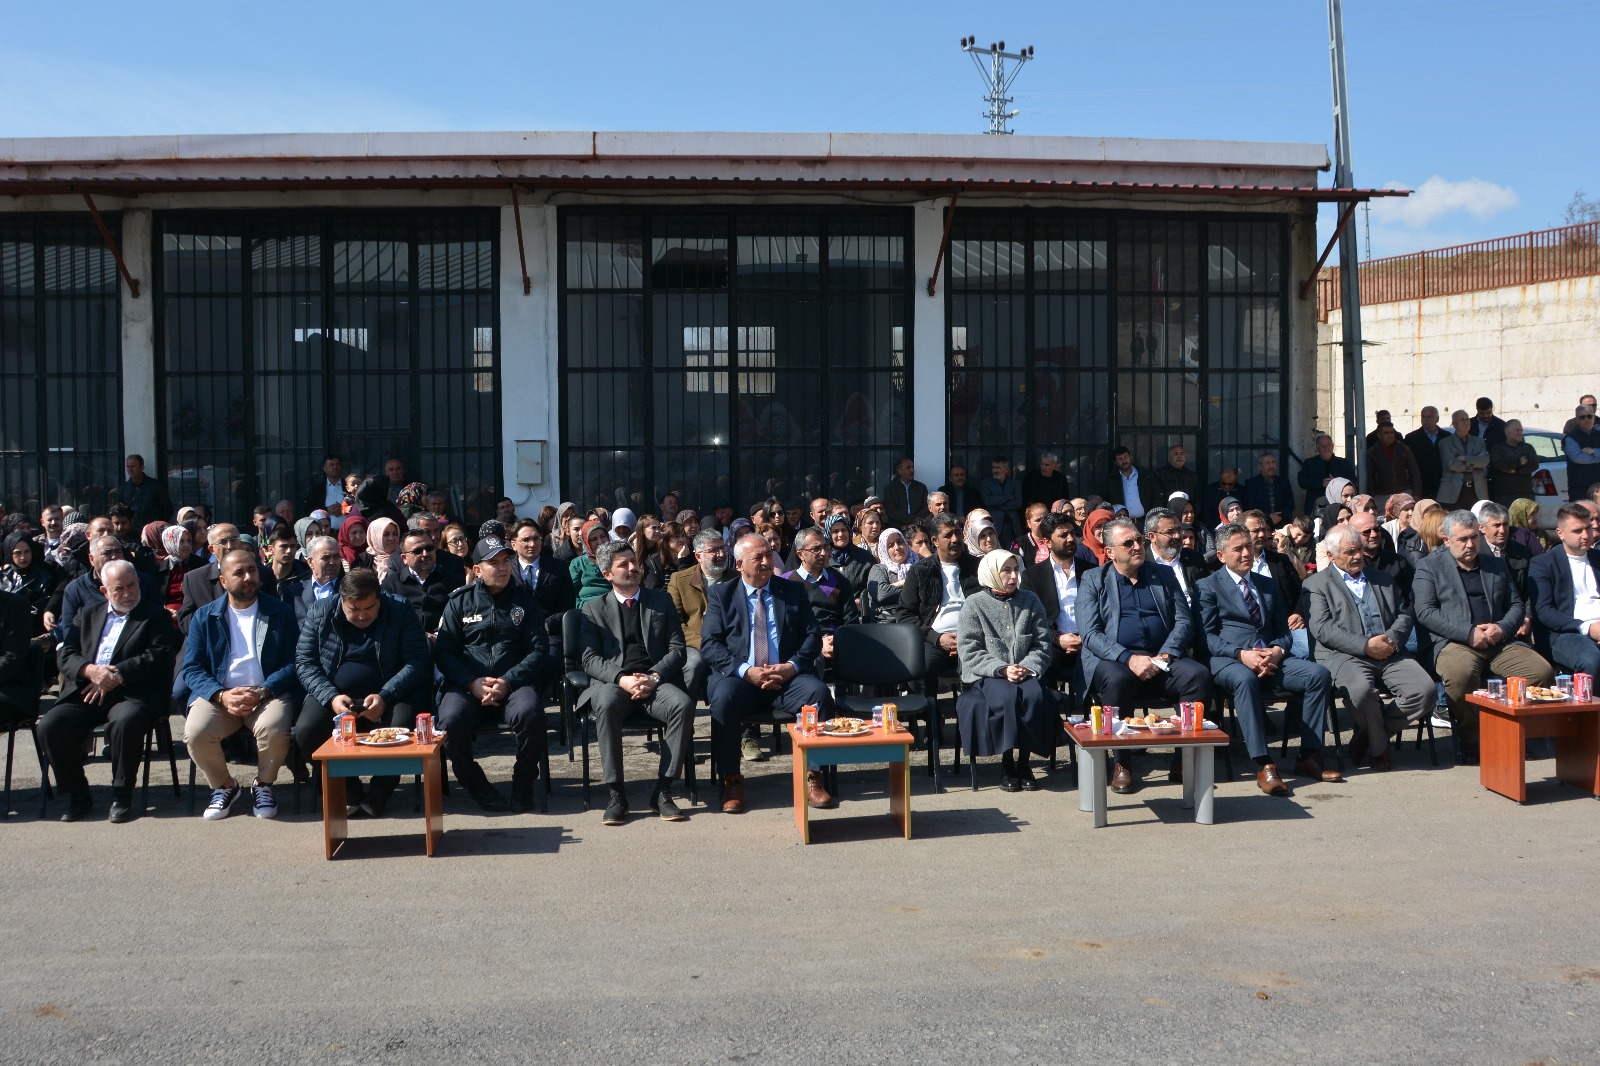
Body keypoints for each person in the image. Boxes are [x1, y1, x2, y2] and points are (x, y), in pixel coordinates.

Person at [1198, 523, 1342, 793]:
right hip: (1229, 659)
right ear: (1220, 556)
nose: (1246, 553)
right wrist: (1241, 654)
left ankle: (1309, 756)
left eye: (1248, 546)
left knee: (1318, 675)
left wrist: (1277, 650)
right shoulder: (1207, 586)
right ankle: (1264, 763)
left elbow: (1282, 631)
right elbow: (1207, 637)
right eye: (1237, 549)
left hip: (1270, 657)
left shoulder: (1266, 584)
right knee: (1245, 680)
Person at [1075, 517, 1213, 794]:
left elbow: (1184, 621)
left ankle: (1183, 758)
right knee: (1117, 680)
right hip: (1115, 660)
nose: (1137, 546)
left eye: (1139, 540)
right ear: (1110, 551)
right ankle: (1122, 763)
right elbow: (1090, 634)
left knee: (1197, 676)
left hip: (1161, 657)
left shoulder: (1162, 575)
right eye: (1128, 543)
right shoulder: (1094, 579)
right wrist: (1128, 658)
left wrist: (1165, 655)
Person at [38, 560, 181, 823]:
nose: (127, 594)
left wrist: (115, 675)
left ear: (139, 583)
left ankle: (121, 795)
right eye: (119, 589)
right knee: (50, 726)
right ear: (105, 591)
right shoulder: (87, 614)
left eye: (132, 586)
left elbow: (159, 656)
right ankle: (78, 794)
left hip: (133, 692)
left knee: (124, 722)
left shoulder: (155, 616)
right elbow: (66, 654)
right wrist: (90, 671)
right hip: (88, 689)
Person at [701, 533, 832, 814]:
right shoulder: (722, 595)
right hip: (742, 681)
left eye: (769, 555)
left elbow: (812, 636)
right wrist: (746, 671)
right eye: (757, 557)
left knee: (818, 693)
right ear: (739, 564)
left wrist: (791, 667)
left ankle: (813, 775)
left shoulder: (792, 591)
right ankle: (731, 779)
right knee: (723, 698)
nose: (766, 562)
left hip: (786, 678)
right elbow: (710, 644)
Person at [1413, 510, 1554, 764]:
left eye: (1474, 538)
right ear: (1446, 540)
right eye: (1462, 539)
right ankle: (1472, 737)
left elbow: (1516, 604)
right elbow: (1425, 611)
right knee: (1461, 675)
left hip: (1498, 641)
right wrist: (1468, 632)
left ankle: (1512, 731)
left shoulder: (1494, 564)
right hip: (1455, 642)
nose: (1470, 545)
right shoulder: (1429, 566)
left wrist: (1502, 628)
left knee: (1540, 672)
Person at [293, 569, 430, 816]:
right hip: (334, 693)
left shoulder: (399, 609)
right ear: (341, 600)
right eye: (354, 609)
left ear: (379, 598)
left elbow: (417, 660)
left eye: (369, 608)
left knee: (401, 724)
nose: (362, 615)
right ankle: (348, 789)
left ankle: (380, 792)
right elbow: (305, 663)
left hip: (391, 691)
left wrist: (386, 695)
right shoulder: (320, 611)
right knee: (306, 730)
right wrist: (330, 697)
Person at [434, 536, 554, 813]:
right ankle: (474, 783)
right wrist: (471, 682)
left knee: (530, 713)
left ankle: (523, 781)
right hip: (468, 686)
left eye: (505, 562)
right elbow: (444, 652)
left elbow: (538, 650)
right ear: (477, 570)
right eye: (493, 563)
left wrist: (508, 681)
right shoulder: (459, 602)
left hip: (513, 685)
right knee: (449, 720)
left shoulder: (525, 601)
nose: (502, 568)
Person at [577, 541, 693, 825]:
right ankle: (616, 794)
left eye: (634, 561)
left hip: (655, 681)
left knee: (682, 704)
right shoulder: (593, 609)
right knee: (605, 703)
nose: (632, 568)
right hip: (615, 683)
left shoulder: (660, 601)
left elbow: (677, 649)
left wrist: (654, 676)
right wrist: (622, 678)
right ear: (607, 574)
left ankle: (663, 791)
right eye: (623, 564)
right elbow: (589, 659)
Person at [180, 549, 300, 820]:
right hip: (220, 696)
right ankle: (225, 785)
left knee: (274, 727)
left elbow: (293, 663)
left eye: (252, 570)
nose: (248, 577)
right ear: (223, 581)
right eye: (239, 573)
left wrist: (263, 691)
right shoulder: (205, 617)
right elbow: (192, 668)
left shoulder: (279, 612)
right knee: (196, 732)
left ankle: (264, 785)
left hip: (267, 694)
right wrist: (220, 695)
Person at [1304, 524, 1434, 771]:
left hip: (1389, 651)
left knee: (1425, 691)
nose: (1357, 556)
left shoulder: (1382, 578)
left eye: (1359, 550)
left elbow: (1404, 613)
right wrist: (1365, 646)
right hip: (1345, 655)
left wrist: (1392, 639)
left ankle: (1370, 735)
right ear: (1331, 556)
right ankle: (1379, 749)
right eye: (1349, 552)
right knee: (1362, 692)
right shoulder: (1316, 584)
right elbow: (1322, 628)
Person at [956, 550, 1059, 790]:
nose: (1014, 576)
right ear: (992, 573)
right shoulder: (974, 604)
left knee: (1034, 696)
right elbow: (969, 649)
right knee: (1007, 697)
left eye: (1016, 570)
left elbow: (1042, 644)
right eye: (1006, 571)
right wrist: (1001, 669)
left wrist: (1027, 667)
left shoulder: (1030, 600)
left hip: (1025, 671)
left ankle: (1024, 763)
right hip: (988, 674)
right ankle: (1007, 763)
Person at [1019, 512, 1089, 695]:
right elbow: (1029, 620)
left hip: (1088, 641)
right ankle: (1052, 709)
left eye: (1072, 533)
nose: (1070, 539)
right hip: (1053, 643)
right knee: (1040, 669)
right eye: (1063, 535)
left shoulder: (1090, 571)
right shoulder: (1032, 576)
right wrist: (1057, 638)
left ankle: (1092, 710)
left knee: (1102, 669)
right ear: (1047, 542)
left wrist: (1086, 637)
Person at [1529, 503, 1600, 679]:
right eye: (1577, 531)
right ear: (1560, 533)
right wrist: (1587, 627)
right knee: (1591, 659)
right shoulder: (1543, 563)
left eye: (1588, 528)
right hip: (1566, 632)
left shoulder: (1597, 558)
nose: (1586, 535)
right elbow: (1544, 611)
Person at [668, 530, 737, 709]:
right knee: (692, 664)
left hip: (730, 642)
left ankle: (742, 722)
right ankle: (683, 716)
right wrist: (704, 644)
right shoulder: (680, 580)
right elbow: (674, 622)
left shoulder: (737, 579)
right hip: (694, 644)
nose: (721, 554)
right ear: (698, 556)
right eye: (713, 550)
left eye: (722, 548)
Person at [783, 527, 858, 661]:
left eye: (825, 547)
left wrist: (836, 639)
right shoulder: (785, 583)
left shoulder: (839, 582)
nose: (824, 553)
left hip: (835, 646)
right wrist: (817, 643)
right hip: (799, 649)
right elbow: (784, 625)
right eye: (816, 549)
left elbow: (851, 621)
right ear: (800, 554)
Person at [383, 528, 460, 634]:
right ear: (404, 558)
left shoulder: (454, 582)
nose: (425, 554)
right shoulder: (390, 585)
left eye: (429, 548)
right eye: (417, 551)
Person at [177, 523, 244, 635]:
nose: (229, 546)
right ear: (212, 549)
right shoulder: (194, 579)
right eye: (223, 542)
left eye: (234, 540)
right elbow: (186, 621)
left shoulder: (259, 575)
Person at [2, 531, 58, 632]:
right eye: (17, 553)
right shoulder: (3, 574)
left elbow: (36, 611)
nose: (23, 557)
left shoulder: (44, 577)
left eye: (27, 551)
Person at [1438, 409, 1490, 509]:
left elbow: (1485, 461)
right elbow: (1453, 465)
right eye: (1462, 420)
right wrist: (1475, 462)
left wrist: (1465, 458)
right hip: (1453, 492)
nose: (1466, 422)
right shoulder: (1445, 443)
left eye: (1467, 419)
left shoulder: (1479, 441)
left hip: (1476, 491)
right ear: (1454, 424)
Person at [1298, 434, 1357, 515]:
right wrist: (1321, 483)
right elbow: (1302, 481)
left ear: (1333, 446)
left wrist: (1336, 482)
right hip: (1315, 505)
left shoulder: (1343, 463)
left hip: (1339, 506)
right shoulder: (1309, 463)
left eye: (1328, 445)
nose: (1326, 448)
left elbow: (1353, 481)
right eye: (1322, 445)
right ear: (1317, 448)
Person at [112, 454, 174, 528]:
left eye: (133, 466)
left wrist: (159, 526)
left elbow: (167, 508)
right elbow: (119, 512)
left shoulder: (156, 486)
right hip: (132, 531)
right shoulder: (123, 489)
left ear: (142, 467)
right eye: (128, 467)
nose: (130, 470)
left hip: (153, 530)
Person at [1366, 424, 1419, 505]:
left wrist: (1417, 494)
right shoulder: (1372, 452)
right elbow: (1370, 476)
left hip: (1404, 492)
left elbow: (1415, 472)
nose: (1390, 435)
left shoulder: (1405, 449)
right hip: (1382, 495)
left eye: (1392, 432)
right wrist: (1372, 496)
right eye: (1386, 433)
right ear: (1379, 435)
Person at [1404, 406, 1447, 501]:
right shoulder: (1411, 438)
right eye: (1423, 417)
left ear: (1437, 419)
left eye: (1430, 417)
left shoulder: (1447, 437)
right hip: (1422, 488)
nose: (1426, 419)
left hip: (1443, 486)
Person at [1489, 420, 1538, 504]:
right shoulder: (1498, 449)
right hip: (1504, 496)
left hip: (1526, 495)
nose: (1520, 433)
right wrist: (1519, 462)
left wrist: (1516, 470)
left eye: (1521, 430)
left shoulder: (1528, 448)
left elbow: (1534, 465)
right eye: (1517, 430)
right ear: (1507, 432)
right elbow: (1499, 464)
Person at [979, 456, 1023, 547]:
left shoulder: (1015, 483)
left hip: (1011, 526)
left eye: (998, 467)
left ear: (1006, 469)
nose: (995, 470)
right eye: (993, 467)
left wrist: (996, 505)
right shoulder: (986, 483)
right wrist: (1007, 497)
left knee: (1012, 551)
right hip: (994, 525)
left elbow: (1017, 503)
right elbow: (987, 501)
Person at [568, 519, 612, 607]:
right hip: (586, 610)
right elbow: (569, 593)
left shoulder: (617, 559)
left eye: (603, 536)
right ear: (586, 543)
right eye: (594, 539)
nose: (600, 542)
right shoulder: (578, 563)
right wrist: (581, 606)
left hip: (612, 606)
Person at [1241, 453, 1291, 527]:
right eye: (1267, 463)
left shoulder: (1284, 482)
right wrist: (1268, 516)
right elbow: (1249, 505)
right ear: (1260, 466)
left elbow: (1290, 504)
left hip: (1281, 523)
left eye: (1273, 462)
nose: (1271, 466)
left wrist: (1280, 516)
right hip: (1261, 523)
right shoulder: (1251, 483)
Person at [879, 457, 928, 531]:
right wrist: (912, 519)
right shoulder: (890, 489)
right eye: (908, 468)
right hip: (897, 528)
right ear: (900, 471)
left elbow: (926, 507)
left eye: (912, 467)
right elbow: (891, 510)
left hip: (918, 527)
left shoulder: (921, 487)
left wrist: (916, 520)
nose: (912, 470)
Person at [1563, 404, 1600, 503]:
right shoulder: (1571, 438)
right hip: (1579, 490)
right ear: (1577, 419)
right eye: (1582, 417)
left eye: (1589, 416)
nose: (1586, 419)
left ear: (1594, 417)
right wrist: (1598, 458)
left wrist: (1593, 451)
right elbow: (1578, 458)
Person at [1104, 446, 1150, 521]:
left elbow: (1156, 496)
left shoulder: (1146, 475)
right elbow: (1106, 501)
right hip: (1121, 522)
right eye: (1120, 459)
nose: (1124, 461)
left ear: (1130, 457)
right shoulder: (1111, 479)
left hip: (1145, 521)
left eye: (1126, 457)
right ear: (1116, 462)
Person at [302, 455, 346, 530]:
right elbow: (308, 510)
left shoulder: (348, 486)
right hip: (324, 532)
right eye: (331, 465)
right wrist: (326, 510)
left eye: (337, 464)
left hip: (346, 532)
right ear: (324, 468)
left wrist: (344, 509)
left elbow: (357, 506)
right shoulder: (317, 489)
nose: (335, 467)